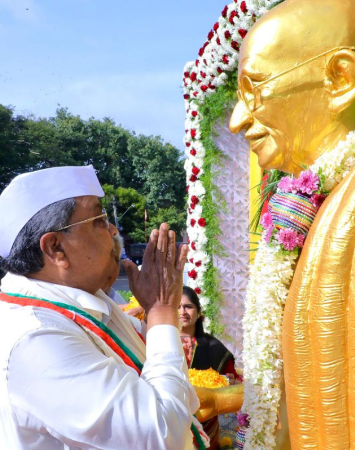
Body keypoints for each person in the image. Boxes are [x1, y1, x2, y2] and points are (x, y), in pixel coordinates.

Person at [229, 0, 355, 446]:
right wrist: (233, 398)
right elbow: (302, 378)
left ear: (340, 79)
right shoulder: (306, 206)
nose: (237, 120)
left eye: (254, 90)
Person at [0, 165, 204, 449]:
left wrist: (157, 313)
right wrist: (161, 310)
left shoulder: (81, 298)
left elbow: (178, 396)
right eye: (99, 218)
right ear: (56, 248)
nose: (113, 230)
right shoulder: (36, 338)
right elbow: (161, 434)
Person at [180, 286, 237, 449]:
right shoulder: (159, 345)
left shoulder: (214, 347)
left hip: (207, 427)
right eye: (177, 307)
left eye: (188, 306)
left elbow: (231, 381)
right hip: (171, 423)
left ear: (198, 313)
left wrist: (229, 383)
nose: (182, 311)